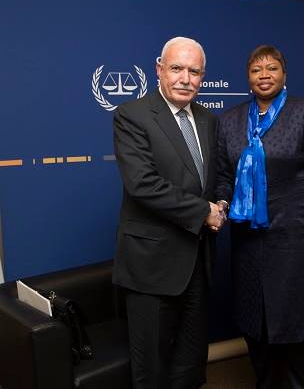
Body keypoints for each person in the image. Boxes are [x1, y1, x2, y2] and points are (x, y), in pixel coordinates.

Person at [216, 45, 304, 388]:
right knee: (256, 328)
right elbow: (225, 176)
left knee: (295, 331)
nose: (264, 75)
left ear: (284, 74)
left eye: (272, 68)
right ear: (248, 78)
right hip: (248, 247)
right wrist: (221, 205)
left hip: (297, 243)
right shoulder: (229, 121)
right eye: (257, 70)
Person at [112, 36, 225, 388]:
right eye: (176, 68)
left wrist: (220, 204)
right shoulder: (132, 115)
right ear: (159, 69)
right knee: (152, 370)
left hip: (197, 262)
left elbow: (217, 177)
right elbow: (142, 184)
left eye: (194, 71)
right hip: (152, 266)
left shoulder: (208, 119)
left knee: (190, 366)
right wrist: (203, 212)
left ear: (203, 77)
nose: (185, 78)